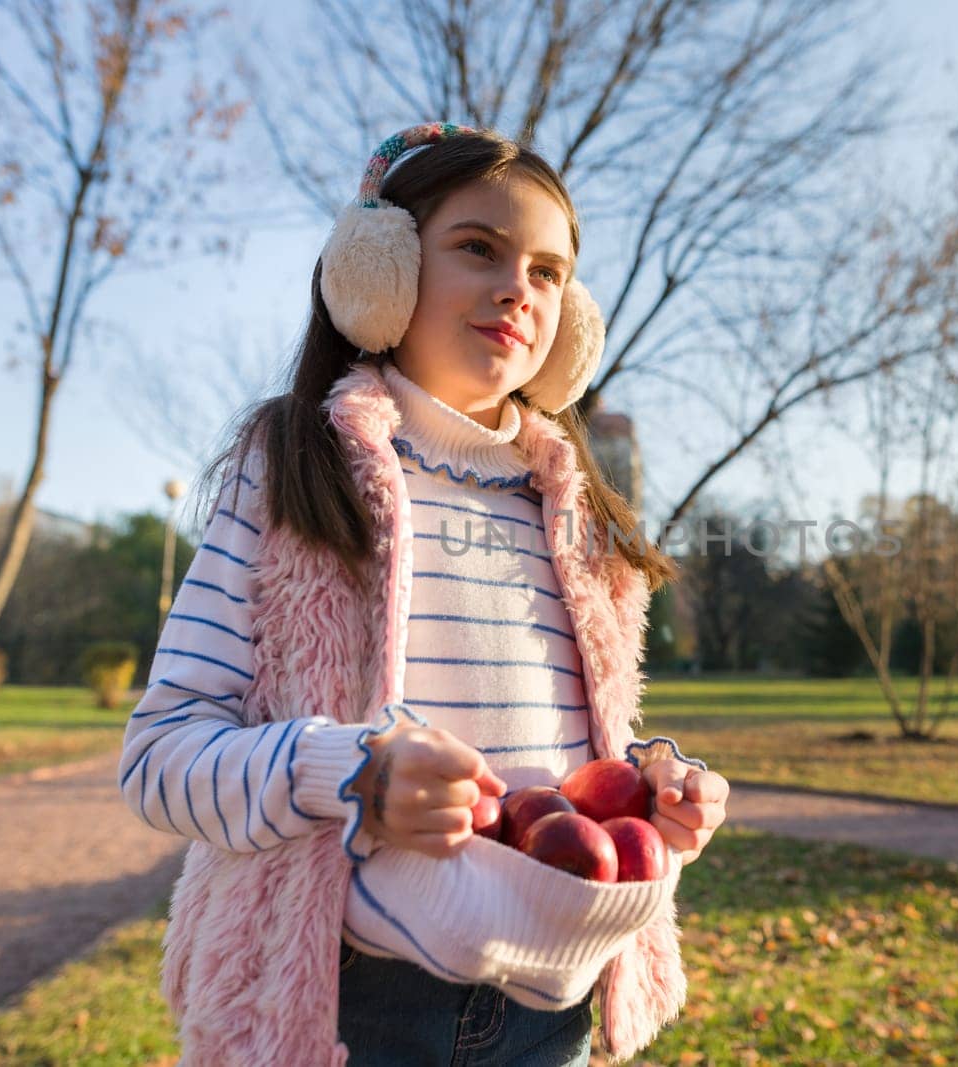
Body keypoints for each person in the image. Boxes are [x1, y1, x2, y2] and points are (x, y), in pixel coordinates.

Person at [117, 122, 730, 1067]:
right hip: (342, 1000)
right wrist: (353, 775)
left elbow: (583, 755)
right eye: (478, 248)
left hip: (548, 1007)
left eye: (549, 272)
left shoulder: (579, 513)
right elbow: (161, 755)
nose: (517, 289)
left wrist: (650, 787)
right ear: (381, 273)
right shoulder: (291, 468)